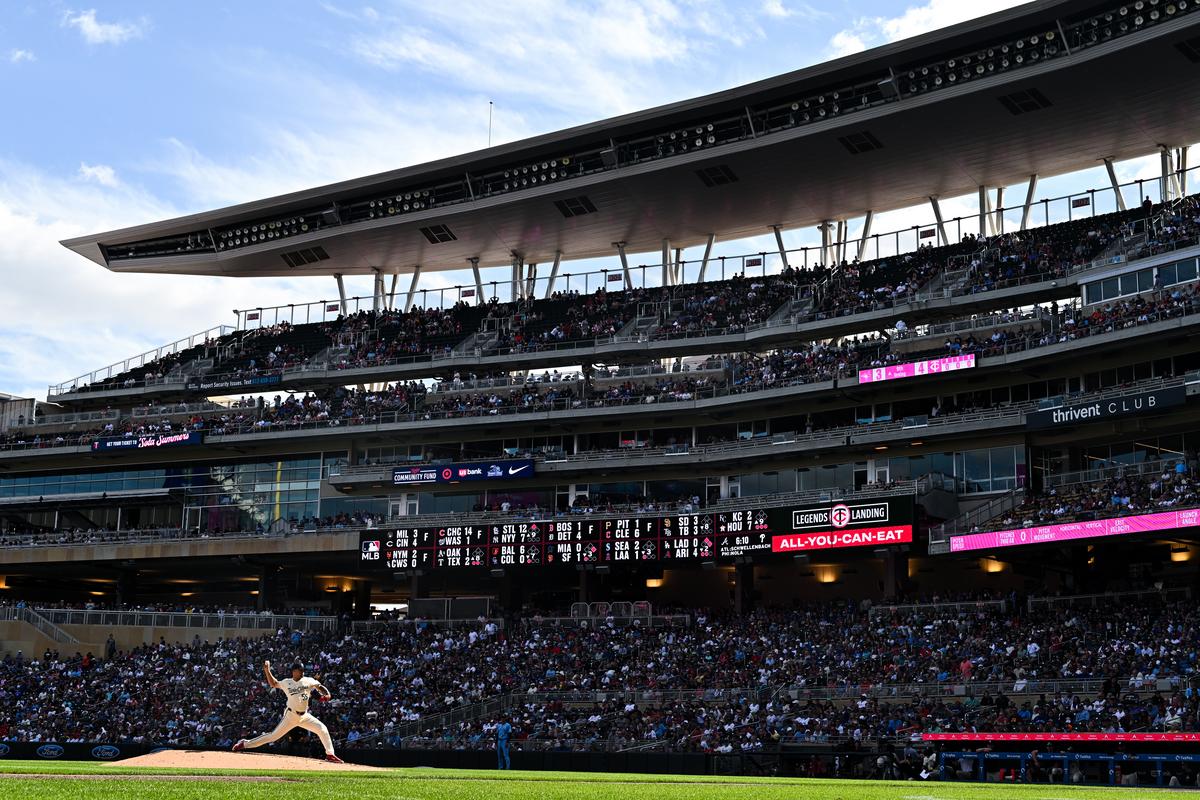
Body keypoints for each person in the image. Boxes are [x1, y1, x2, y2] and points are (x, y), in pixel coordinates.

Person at [233, 659, 344, 763]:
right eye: (299, 670)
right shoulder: (287, 682)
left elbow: (320, 687)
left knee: (322, 729)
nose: (302, 672)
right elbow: (273, 684)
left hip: (304, 716)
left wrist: (327, 694)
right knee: (273, 736)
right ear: (294, 672)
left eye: (302, 670)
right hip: (291, 715)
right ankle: (245, 744)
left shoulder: (308, 680)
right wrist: (267, 670)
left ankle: (330, 754)